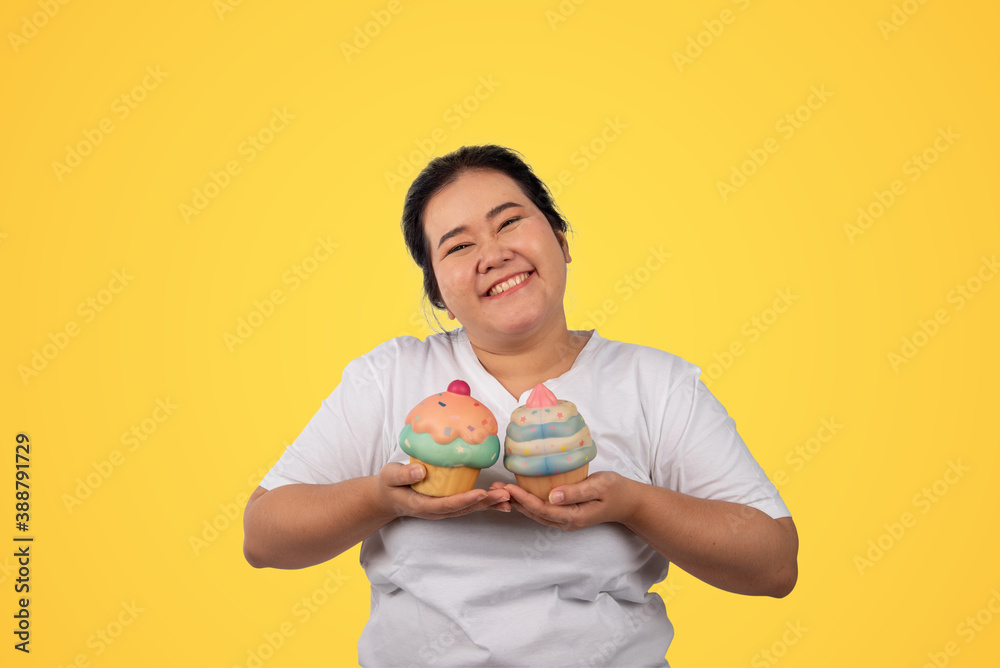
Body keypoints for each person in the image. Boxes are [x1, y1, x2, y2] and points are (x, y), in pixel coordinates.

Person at [242, 145, 798, 667]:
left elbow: (774, 563)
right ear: (438, 291)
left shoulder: (656, 382)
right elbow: (264, 537)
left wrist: (634, 504)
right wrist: (380, 499)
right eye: (458, 246)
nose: (493, 254)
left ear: (560, 240)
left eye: (509, 222)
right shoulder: (389, 376)